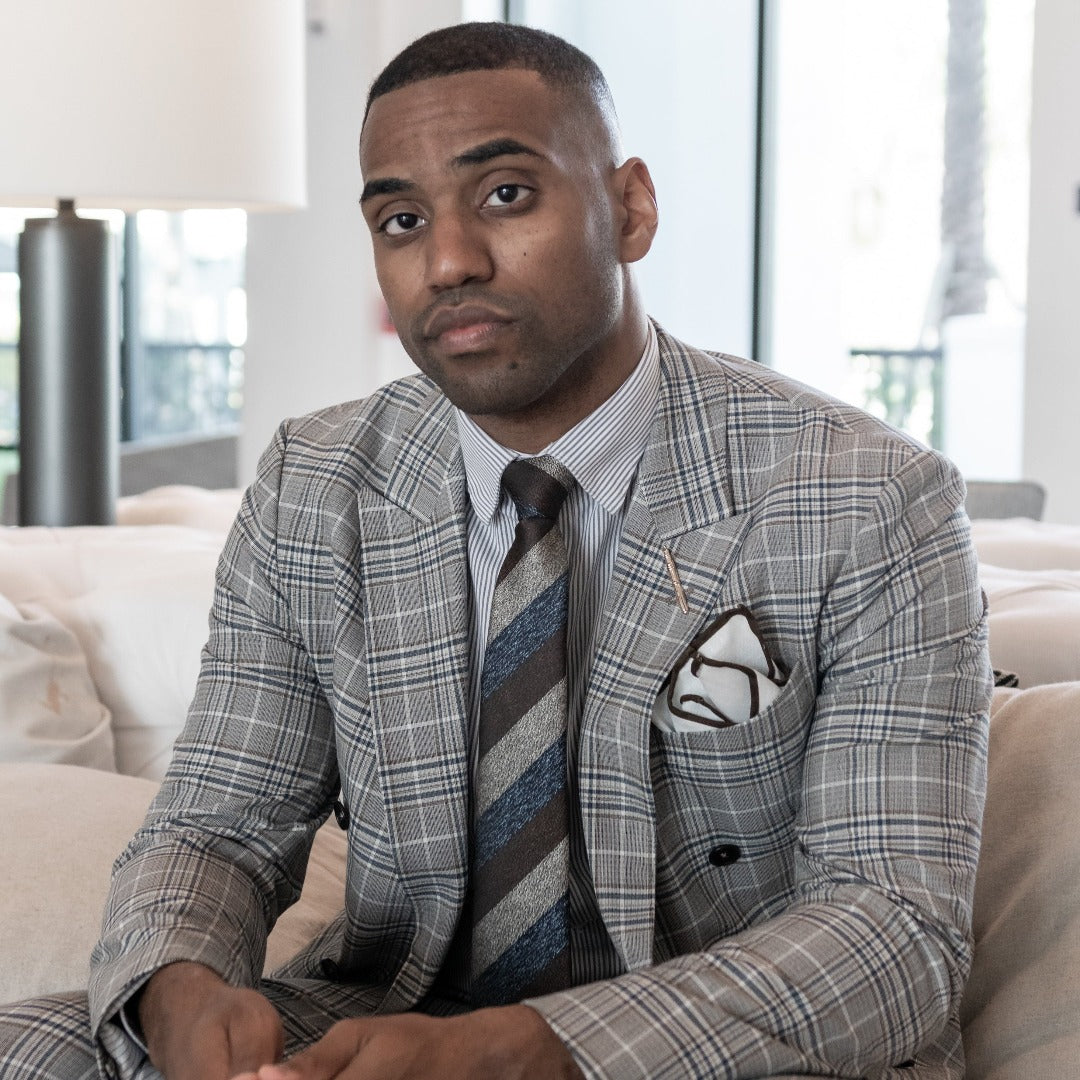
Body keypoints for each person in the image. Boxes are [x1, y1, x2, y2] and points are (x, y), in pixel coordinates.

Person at [0, 21, 991, 1080]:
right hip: (381, 1023)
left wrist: (533, 1050)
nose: (449, 261)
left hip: (699, 1048)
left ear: (630, 208)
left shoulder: (870, 496)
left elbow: (895, 929)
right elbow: (219, 825)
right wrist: (182, 991)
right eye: (401, 218)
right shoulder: (315, 485)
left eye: (507, 196)